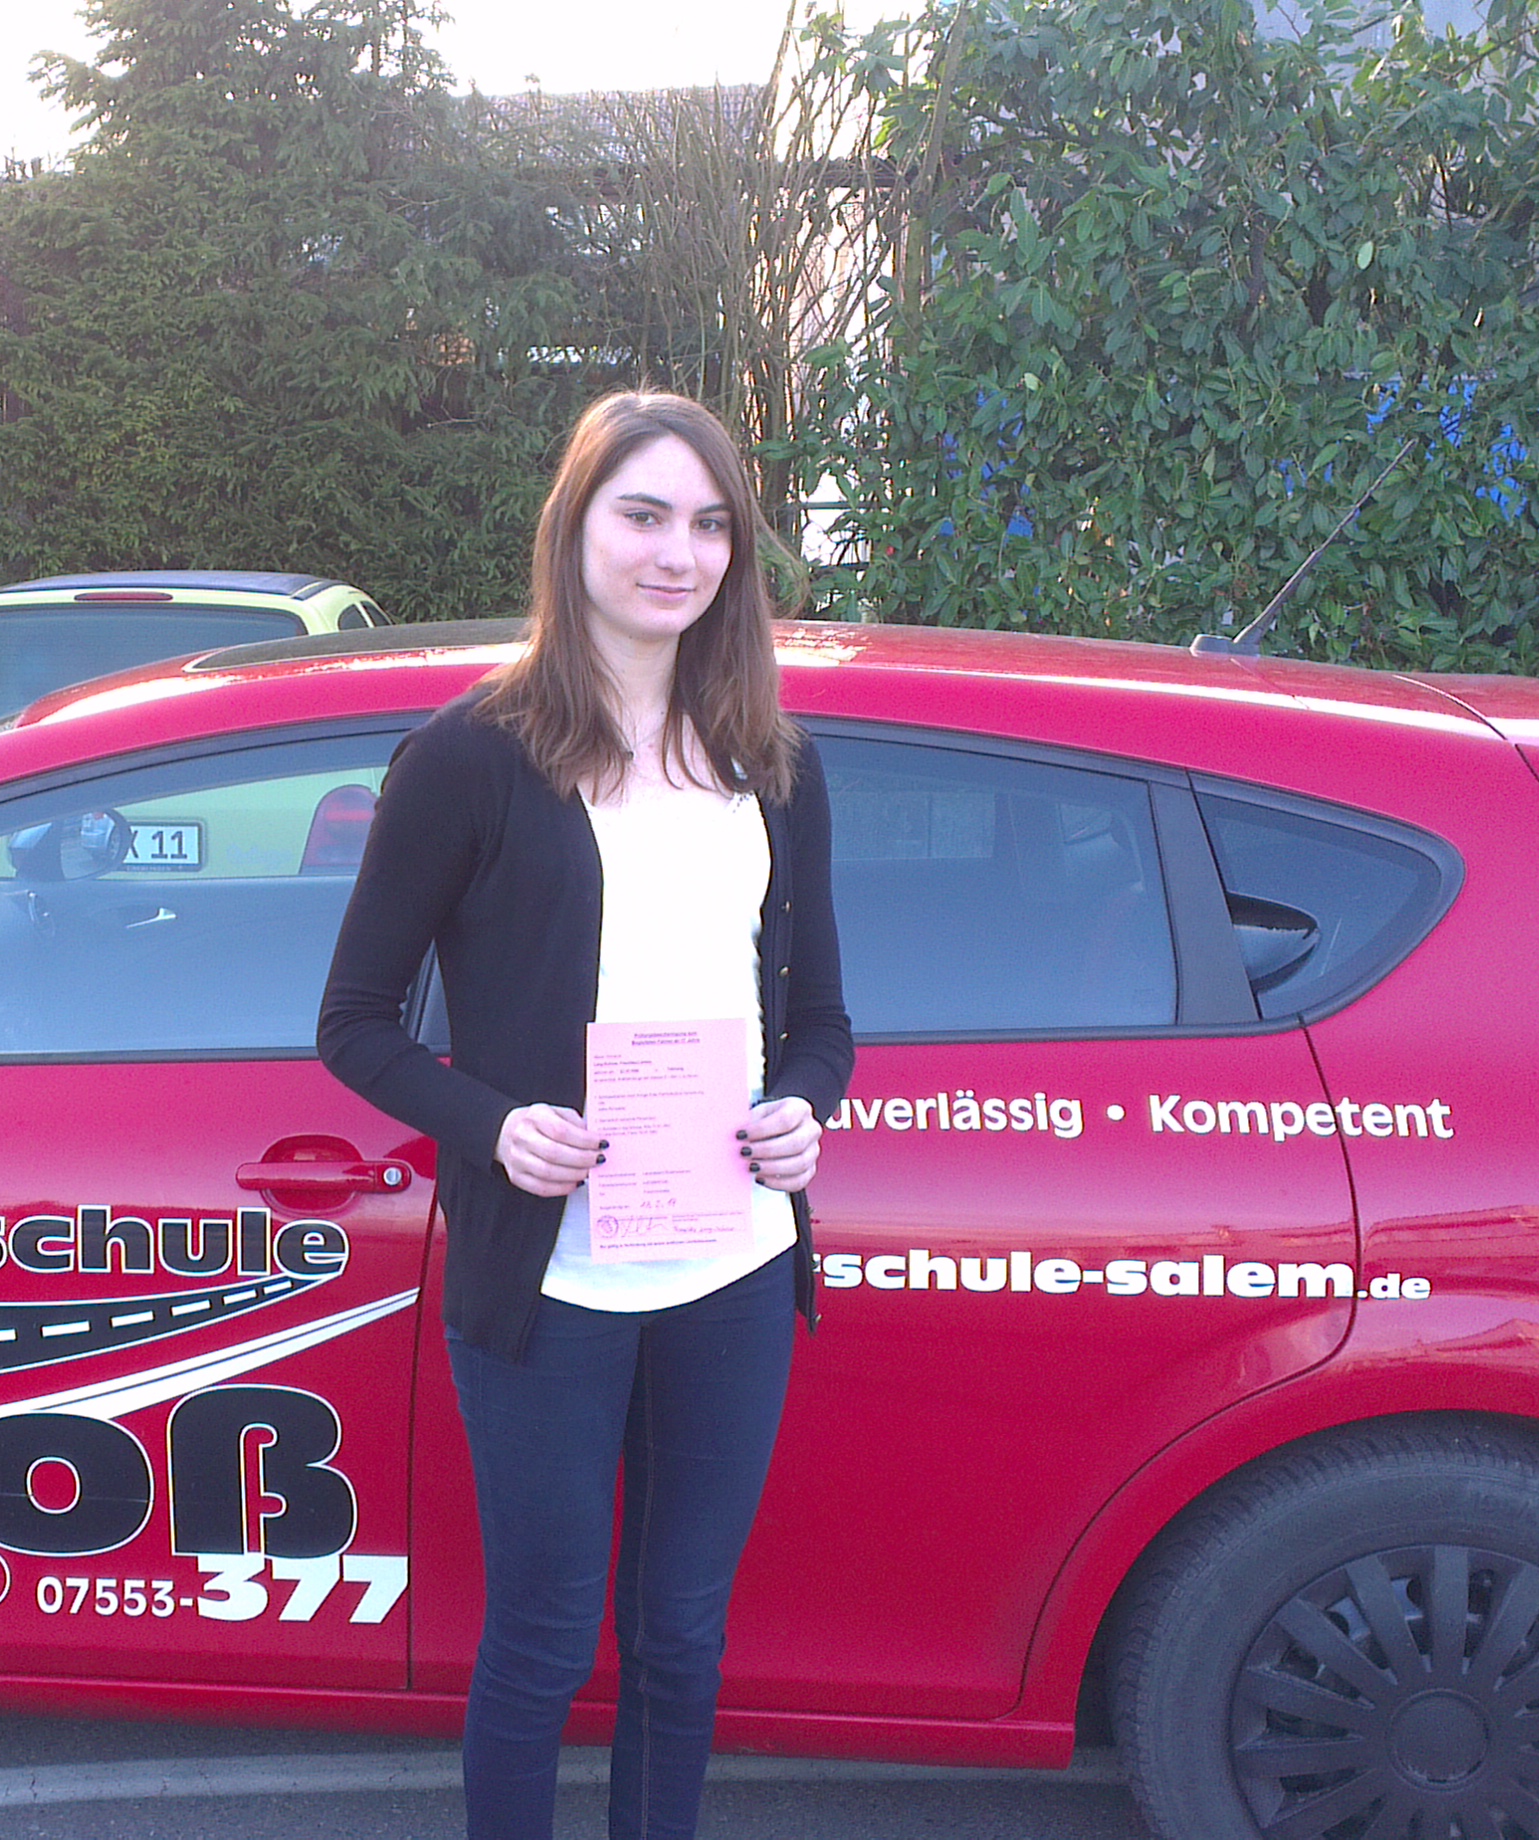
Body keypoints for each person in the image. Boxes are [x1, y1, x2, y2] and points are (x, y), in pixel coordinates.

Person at [317, 391, 854, 1839]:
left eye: (710, 524)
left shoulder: (770, 760)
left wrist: (803, 1112)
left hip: (732, 1265)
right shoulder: (469, 758)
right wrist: (493, 1125)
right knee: (546, 1641)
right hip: (551, 1276)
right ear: (575, 527)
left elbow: (820, 1025)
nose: (679, 553)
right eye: (645, 514)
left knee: (682, 1637)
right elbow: (354, 1025)